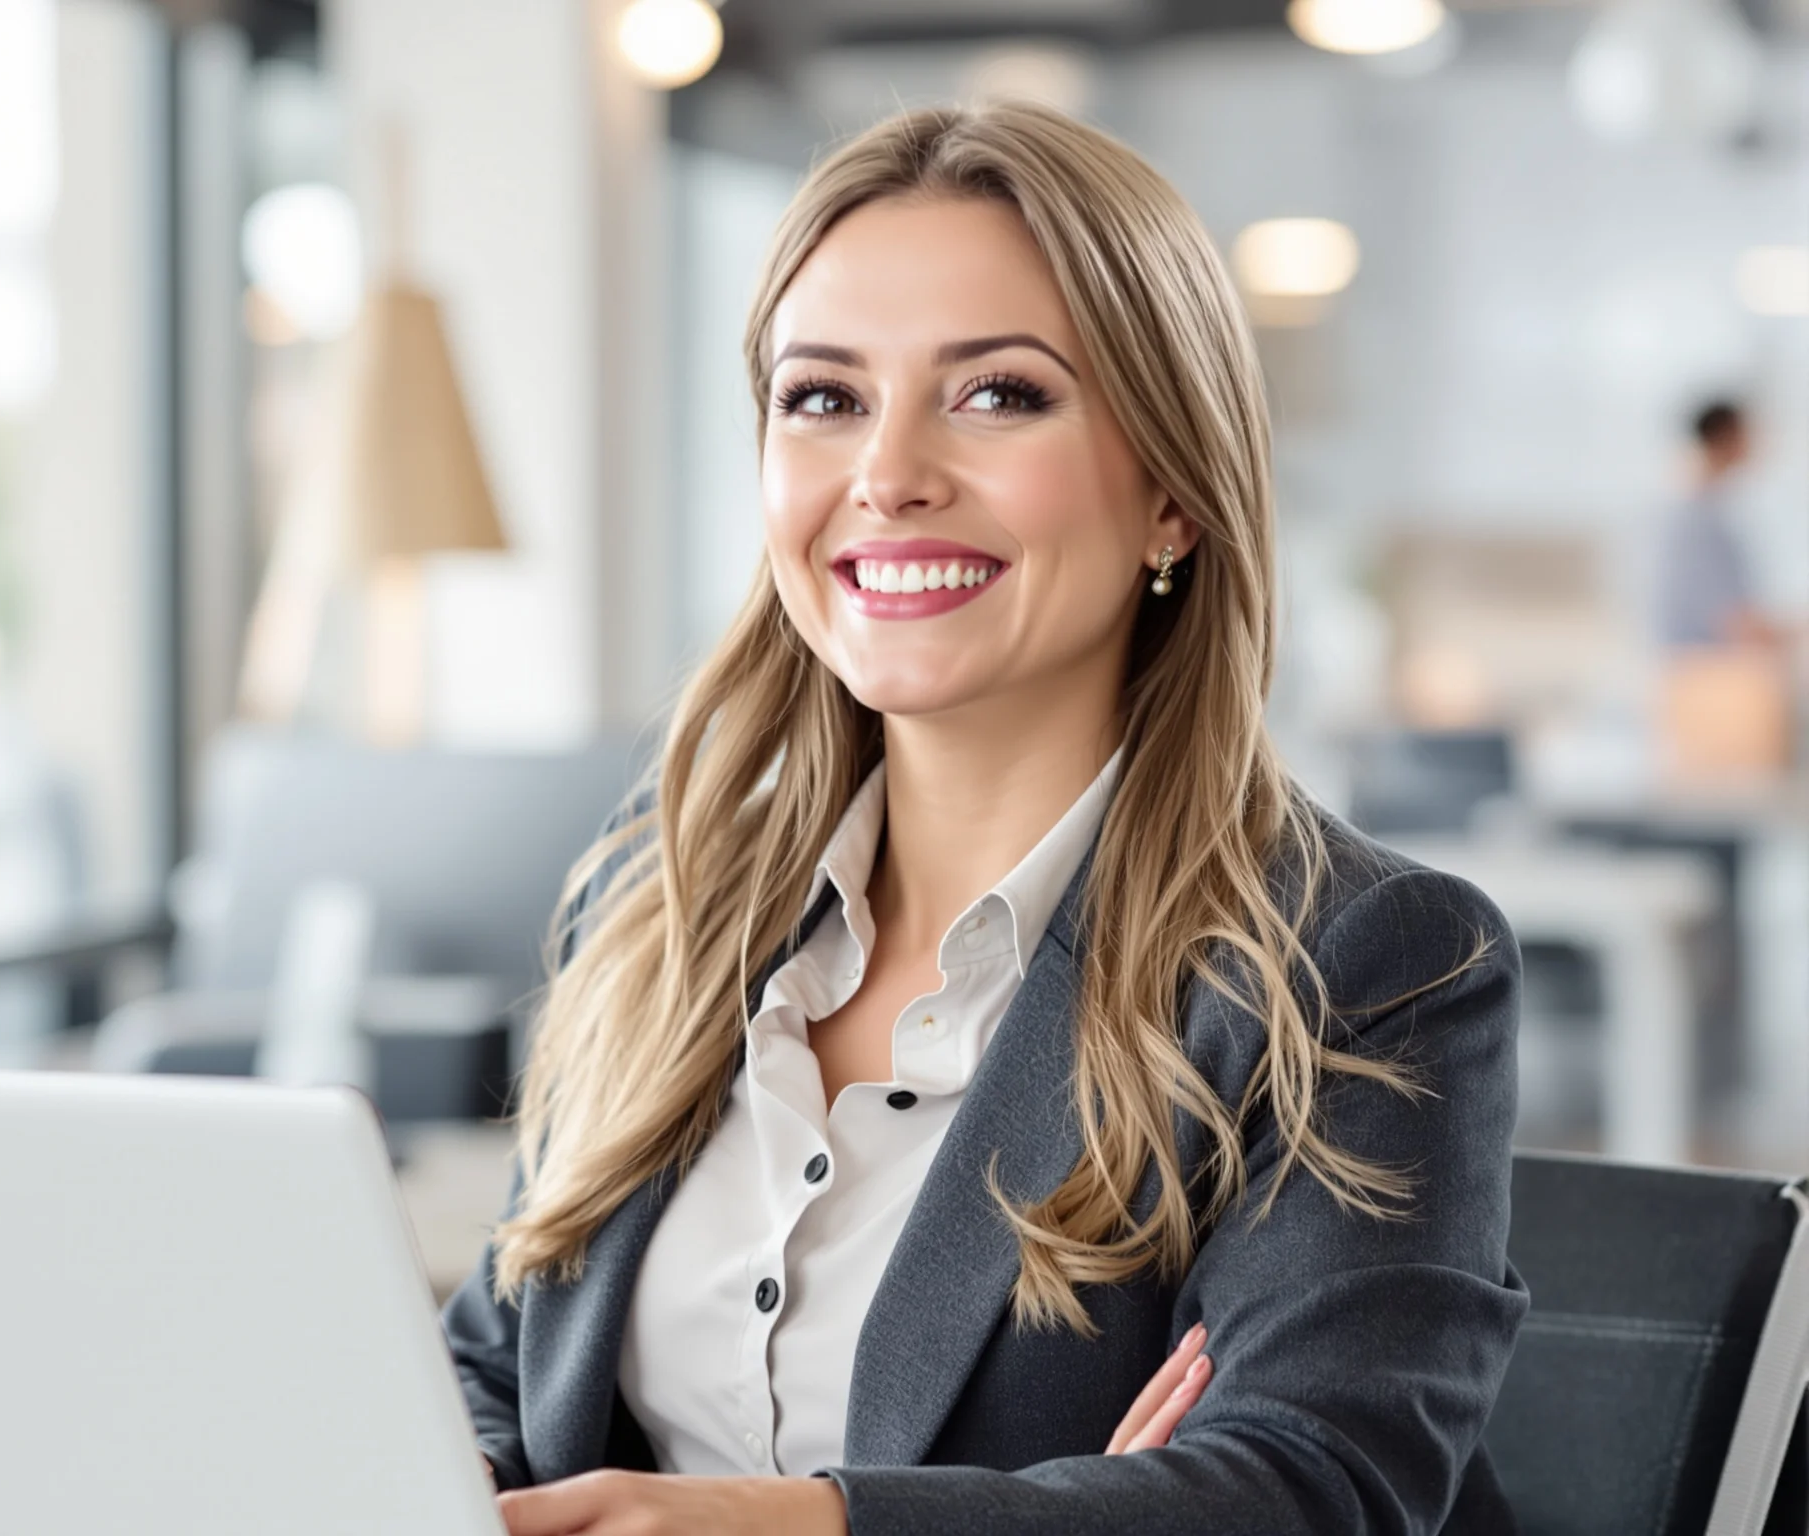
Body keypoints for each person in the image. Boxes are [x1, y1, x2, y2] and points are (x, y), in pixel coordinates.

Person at [442, 103, 1525, 1536]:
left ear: (1172, 495)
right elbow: (499, 1365)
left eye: (999, 394)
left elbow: (1308, 1491)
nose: (888, 474)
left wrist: (798, 1526)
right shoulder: (658, 909)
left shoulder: (1360, 964)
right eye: (822, 398)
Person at [1656, 399, 1783, 650]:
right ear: (1726, 436)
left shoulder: (1698, 507)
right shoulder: (1694, 518)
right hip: (1702, 661)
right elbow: (1732, 620)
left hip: (1702, 654)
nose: (1757, 443)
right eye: (1749, 433)